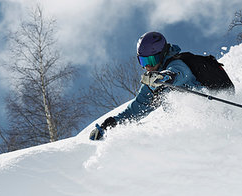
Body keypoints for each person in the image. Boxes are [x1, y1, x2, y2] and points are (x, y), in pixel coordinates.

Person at [90, 31, 222, 140]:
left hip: (212, 116)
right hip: (190, 130)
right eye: (143, 61)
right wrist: (111, 123)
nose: (147, 66)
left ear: (162, 54)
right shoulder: (151, 83)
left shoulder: (177, 64)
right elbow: (135, 111)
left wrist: (164, 77)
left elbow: (178, 74)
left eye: (151, 60)